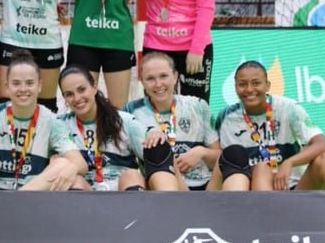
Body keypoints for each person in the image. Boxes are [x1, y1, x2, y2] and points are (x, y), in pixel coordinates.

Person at [0, 51, 87, 191]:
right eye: (16, 83)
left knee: (63, 165)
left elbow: (80, 163)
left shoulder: (51, 121)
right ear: (7, 87)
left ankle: (18, 200)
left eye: (30, 83)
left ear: (39, 86)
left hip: (32, 193)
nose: (23, 89)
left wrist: (71, 168)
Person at [59, 65, 182, 191]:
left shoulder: (123, 120)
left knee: (153, 151)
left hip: (122, 192)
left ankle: (169, 204)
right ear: (64, 98)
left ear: (94, 87)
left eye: (81, 89)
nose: (77, 98)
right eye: (69, 94)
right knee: (74, 181)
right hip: (86, 194)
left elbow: (160, 152)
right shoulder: (59, 125)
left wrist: (154, 134)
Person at [215, 61, 325, 191]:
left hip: (295, 189)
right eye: (242, 84)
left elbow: (320, 143)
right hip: (251, 194)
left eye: (256, 83)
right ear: (235, 87)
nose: (249, 89)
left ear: (267, 85)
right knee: (261, 168)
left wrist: (289, 162)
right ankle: (268, 209)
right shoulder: (225, 117)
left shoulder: (288, 108)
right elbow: (219, 163)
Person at [123, 52, 224, 190]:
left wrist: (202, 152)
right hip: (162, 190)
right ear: (141, 81)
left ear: (175, 76)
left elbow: (219, 158)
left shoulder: (198, 106)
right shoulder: (131, 111)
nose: (158, 84)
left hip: (204, 188)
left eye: (163, 76)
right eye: (150, 78)